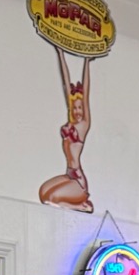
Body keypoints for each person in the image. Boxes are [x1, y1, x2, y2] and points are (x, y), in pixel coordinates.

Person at [38, 46, 93, 213]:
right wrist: (60, 53)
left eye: (80, 108)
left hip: (78, 181)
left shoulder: (83, 125)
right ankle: (77, 203)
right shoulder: (70, 125)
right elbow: (66, 82)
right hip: (69, 174)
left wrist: (86, 62)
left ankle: (82, 205)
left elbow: (87, 91)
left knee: (52, 199)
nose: (77, 112)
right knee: (43, 194)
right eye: (75, 108)